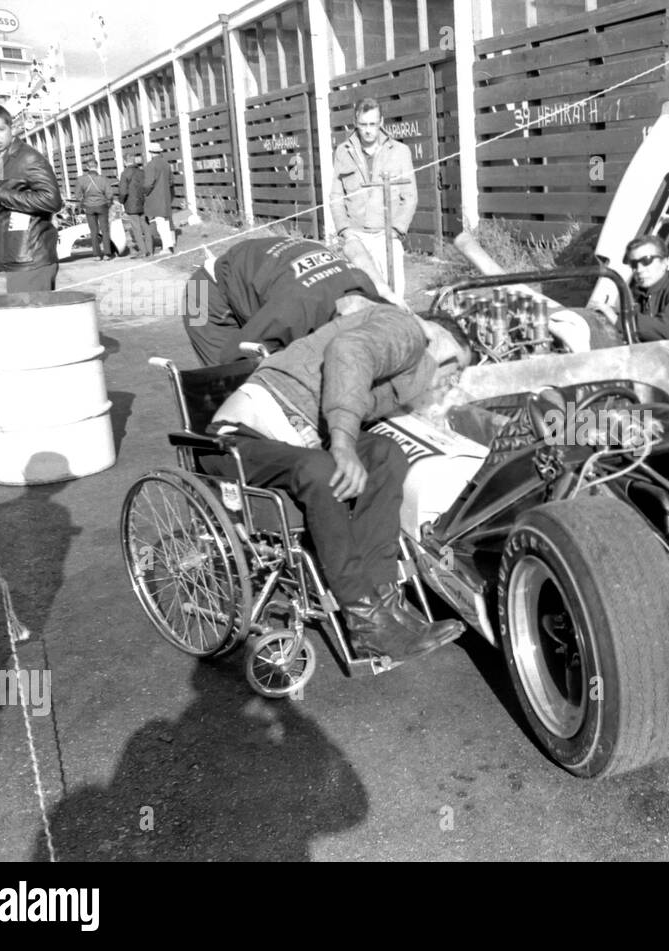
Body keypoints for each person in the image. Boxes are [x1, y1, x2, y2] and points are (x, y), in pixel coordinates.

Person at [207, 305, 471, 662]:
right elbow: (347, 352)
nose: (450, 381)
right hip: (241, 438)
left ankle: (384, 604)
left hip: (297, 438)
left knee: (386, 453)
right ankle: (363, 621)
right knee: (323, 469)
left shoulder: (409, 362)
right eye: (456, 369)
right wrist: (344, 445)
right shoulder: (410, 331)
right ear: (447, 344)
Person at [185, 235, 399, 366]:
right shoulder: (294, 311)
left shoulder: (364, 285)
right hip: (201, 293)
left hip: (252, 279)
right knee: (228, 383)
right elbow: (236, 355)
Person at [0, 102, 63, 292]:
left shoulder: (28, 158)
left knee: (28, 317)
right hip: (18, 253)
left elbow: (52, 200)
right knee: (26, 316)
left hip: (31, 256)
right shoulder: (3, 158)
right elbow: (8, 196)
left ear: (11, 127)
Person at [329, 97, 417, 297]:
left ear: (382, 122)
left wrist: (396, 230)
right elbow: (336, 196)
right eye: (363, 124)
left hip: (386, 235)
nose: (368, 130)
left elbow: (410, 197)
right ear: (355, 123)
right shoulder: (343, 152)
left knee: (393, 295)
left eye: (372, 124)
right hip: (356, 235)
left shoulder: (400, 152)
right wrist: (345, 231)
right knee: (361, 295)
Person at [73, 166, 114, 261]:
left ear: (87, 167)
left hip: (89, 207)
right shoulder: (103, 179)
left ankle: (96, 254)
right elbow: (109, 194)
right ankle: (107, 253)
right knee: (105, 230)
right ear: (97, 166)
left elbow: (77, 195)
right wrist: (108, 202)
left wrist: (83, 202)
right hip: (102, 205)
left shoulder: (81, 179)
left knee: (93, 231)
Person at [142, 141, 174, 255]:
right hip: (165, 196)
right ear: (160, 152)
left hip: (155, 198)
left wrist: (144, 193)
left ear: (150, 152)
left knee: (161, 224)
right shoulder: (166, 164)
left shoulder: (151, 165)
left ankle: (167, 247)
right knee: (165, 222)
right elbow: (171, 181)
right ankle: (169, 245)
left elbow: (148, 184)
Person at [117, 154, 151, 258]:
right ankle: (150, 249)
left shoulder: (125, 174)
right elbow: (147, 186)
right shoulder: (142, 172)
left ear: (125, 162)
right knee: (146, 226)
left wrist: (121, 201)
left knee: (136, 228)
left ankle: (143, 250)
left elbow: (123, 191)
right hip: (143, 202)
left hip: (131, 203)